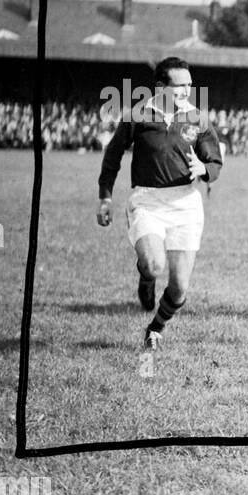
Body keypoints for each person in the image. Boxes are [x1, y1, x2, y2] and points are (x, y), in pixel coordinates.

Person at [97, 57, 223, 350]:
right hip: (148, 201)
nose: (186, 91)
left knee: (179, 289)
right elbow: (113, 155)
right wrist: (105, 196)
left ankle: (155, 327)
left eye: (189, 85)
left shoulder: (198, 119)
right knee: (154, 265)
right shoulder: (137, 115)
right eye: (179, 86)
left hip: (185, 204)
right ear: (160, 87)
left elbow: (215, 162)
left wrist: (204, 169)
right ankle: (146, 277)